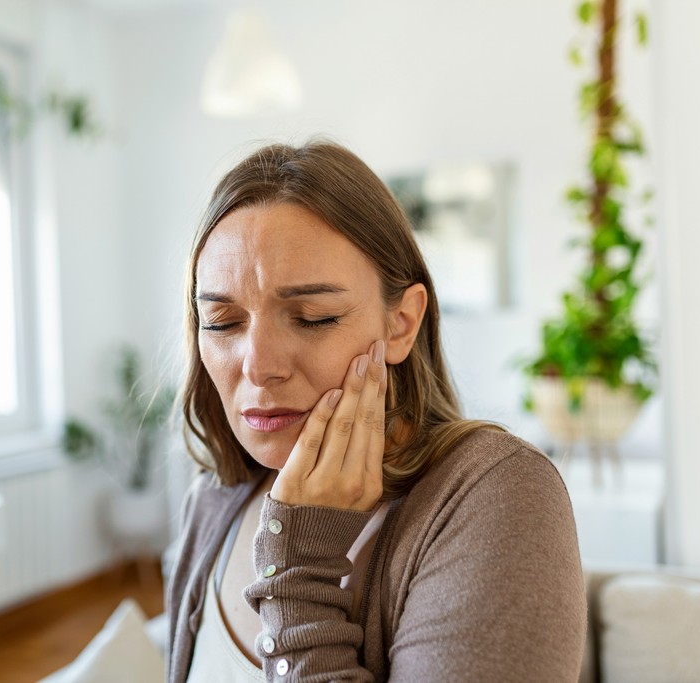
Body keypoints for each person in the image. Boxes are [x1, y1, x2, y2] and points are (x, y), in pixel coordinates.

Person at [166, 140, 586, 682]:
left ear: (401, 323)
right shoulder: (212, 501)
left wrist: (300, 572)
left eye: (313, 316)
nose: (259, 366)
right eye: (222, 322)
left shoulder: (496, 495)